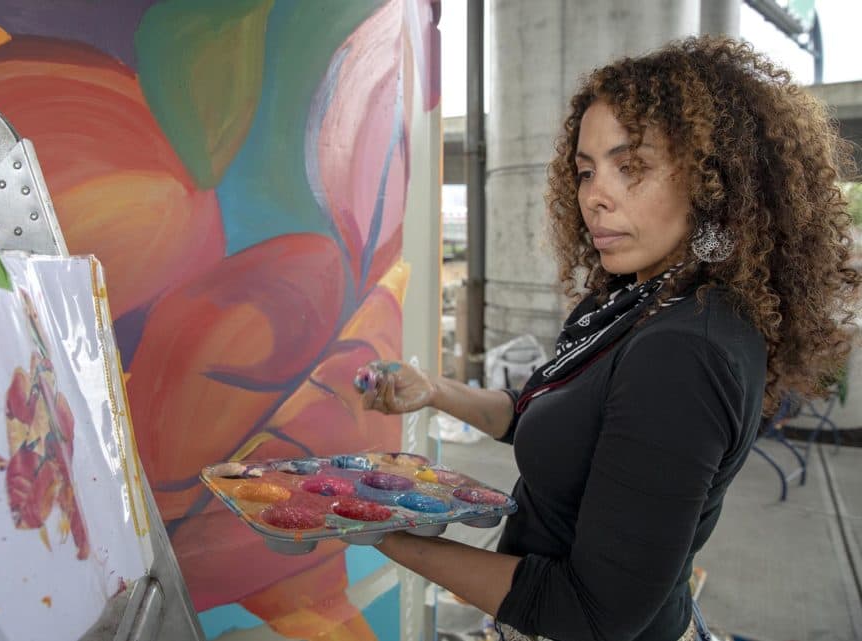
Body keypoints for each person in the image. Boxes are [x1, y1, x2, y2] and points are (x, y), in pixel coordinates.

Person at [356, 35, 860, 641]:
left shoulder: (684, 352)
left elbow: (594, 614)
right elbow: (541, 417)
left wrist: (387, 536)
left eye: (633, 167)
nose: (596, 195)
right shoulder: (633, 296)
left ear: (712, 180)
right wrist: (431, 389)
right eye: (587, 171)